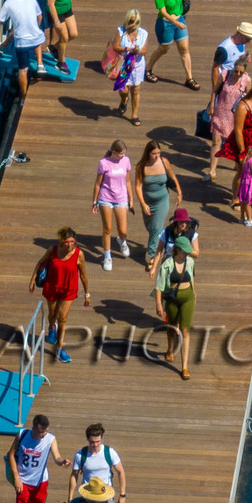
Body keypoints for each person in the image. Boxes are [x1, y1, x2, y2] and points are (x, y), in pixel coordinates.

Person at [30, 227, 89, 364]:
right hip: (52, 286)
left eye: (72, 241)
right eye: (67, 242)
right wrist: (32, 280)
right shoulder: (53, 250)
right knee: (52, 314)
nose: (69, 245)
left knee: (62, 317)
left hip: (69, 288)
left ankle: (60, 348)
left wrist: (87, 294)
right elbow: (40, 263)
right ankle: (52, 328)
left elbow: (83, 275)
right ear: (62, 241)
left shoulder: (79, 254)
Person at [4, 413, 67, 503]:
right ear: (33, 428)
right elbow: (11, 455)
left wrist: (62, 461)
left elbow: (57, 457)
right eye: (40, 432)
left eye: (45, 431)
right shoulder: (22, 435)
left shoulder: (50, 439)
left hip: (40, 481)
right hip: (23, 480)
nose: (43, 434)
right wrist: (16, 478)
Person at [217, 84, 252, 205]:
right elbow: (238, 130)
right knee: (242, 171)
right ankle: (235, 198)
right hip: (244, 141)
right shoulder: (243, 106)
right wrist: (243, 152)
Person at [153, 236, 198, 379]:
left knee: (185, 331)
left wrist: (194, 294)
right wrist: (159, 304)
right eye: (184, 251)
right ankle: (170, 349)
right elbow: (159, 287)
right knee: (172, 327)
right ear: (177, 249)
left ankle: (184, 367)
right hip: (172, 299)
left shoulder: (190, 262)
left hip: (188, 299)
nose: (187, 253)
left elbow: (192, 278)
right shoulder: (167, 264)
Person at [146, 0, 198, 88]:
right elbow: (163, 12)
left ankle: (189, 78)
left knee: (184, 49)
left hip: (179, 19)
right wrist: (176, 23)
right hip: (166, 23)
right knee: (164, 49)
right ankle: (149, 69)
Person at [132, 141, 183, 265]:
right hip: (147, 201)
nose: (157, 156)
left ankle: (152, 256)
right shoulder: (141, 166)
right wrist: (143, 203)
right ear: (148, 153)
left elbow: (172, 176)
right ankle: (159, 245)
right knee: (151, 228)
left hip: (162, 200)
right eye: (154, 153)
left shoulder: (164, 162)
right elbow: (138, 186)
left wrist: (179, 192)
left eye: (159, 153)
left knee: (156, 227)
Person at [89, 140, 133, 271]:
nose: (122, 156)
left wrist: (131, 198)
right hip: (106, 198)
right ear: (114, 152)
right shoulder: (104, 163)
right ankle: (107, 256)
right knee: (107, 228)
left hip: (121, 198)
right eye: (120, 154)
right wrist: (94, 201)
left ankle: (122, 241)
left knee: (123, 230)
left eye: (124, 154)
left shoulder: (126, 161)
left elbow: (128, 181)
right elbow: (98, 184)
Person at [0, 0, 47, 95]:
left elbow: (0, 20)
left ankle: (24, 95)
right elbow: (39, 16)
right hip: (36, 38)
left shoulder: (9, 3)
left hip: (22, 43)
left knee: (23, 69)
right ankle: (40, 64)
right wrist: (35, 27)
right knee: (37, 36)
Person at [206, 60, 251, 183]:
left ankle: (238, 166)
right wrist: (211, 107)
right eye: (236, 70)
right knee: (216, 142)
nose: (237, 74)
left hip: (235, 116)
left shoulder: (246, 80)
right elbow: (215, 90)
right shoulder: (225, 74)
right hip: (220, 112)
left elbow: (248, 99)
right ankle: (212, 170)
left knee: (235, 144)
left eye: (240, 72)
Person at [68, 424, 127, 503]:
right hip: (87, 496)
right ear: (87, 439)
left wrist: (122, 495)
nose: (95, 445)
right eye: (92, 442)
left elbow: (121, 472)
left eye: (98, 441)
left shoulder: (109, 452)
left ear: (101, 439)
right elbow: (74, 476)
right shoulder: (80, 455)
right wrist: (70, 498)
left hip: (105, 496)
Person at [109, 10, 148, 125]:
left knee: (135, 89)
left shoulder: (143, 33)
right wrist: (128, 49)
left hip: (137, 66)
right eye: (131, 21)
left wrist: (138, 51)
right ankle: (124, 99)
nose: (133, 24)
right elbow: (115, 46)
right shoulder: (121, 31)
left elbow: (144, 51)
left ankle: (134, 115)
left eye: (136, 22)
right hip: (124, 64)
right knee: (123, 89)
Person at [147, 207, 201, 278]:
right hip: (168, 262)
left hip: (185, 264)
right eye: (181, 221)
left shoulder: (191, 233)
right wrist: (154, 268)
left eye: (185, 221)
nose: (184, 224)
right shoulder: (167, 231)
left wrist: (185, 248)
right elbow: (159, 250)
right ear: (176, 222)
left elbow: (196, 254)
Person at [44, 0, 77, 70]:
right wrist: (56, 21)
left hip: (67, 9)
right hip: (57, 12)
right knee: (64, 38)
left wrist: (70, 2)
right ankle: (61, 62)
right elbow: (51, 4)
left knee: (73, 34)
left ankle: (54, 48)